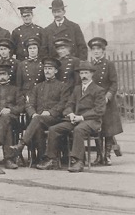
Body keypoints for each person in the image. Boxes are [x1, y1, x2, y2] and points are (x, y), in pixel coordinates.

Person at [37, 61, 106, 172]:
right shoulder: (77, 89)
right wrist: (71, 114)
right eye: (82, 73)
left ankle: (79, 161)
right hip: (75, 119)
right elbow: (69, 104)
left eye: (86, 73)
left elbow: (99, 110)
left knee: (79, 129)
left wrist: (81, 117)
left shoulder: (99, 90)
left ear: (92, 74)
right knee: (54, 129)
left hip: (91, 121)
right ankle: (52, 159)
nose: (83, 76)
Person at [10, 58, 70, 165]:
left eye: (50, 69)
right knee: (37, 125)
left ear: (56, 71)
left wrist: (50, 112)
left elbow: (63, 104)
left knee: (37, 121)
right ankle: (42, 158)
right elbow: (29, 104)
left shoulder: (62, 86)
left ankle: (21, 144)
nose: (47, 71)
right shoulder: (38, 87)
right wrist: (33, 113)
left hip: (56, 119)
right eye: (46, 69)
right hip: (39, 119)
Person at [88, 37, 123, 165]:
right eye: (93, 49)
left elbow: (114, 83)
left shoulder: (109, 64)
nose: (96, 52)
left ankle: (107, 156)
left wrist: (108, 96)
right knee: (97, 128)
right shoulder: (90, 65)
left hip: (107, 102)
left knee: (108, 129)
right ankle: (99, 155)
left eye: (98, 49)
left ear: (103, 51)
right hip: (95, 102)